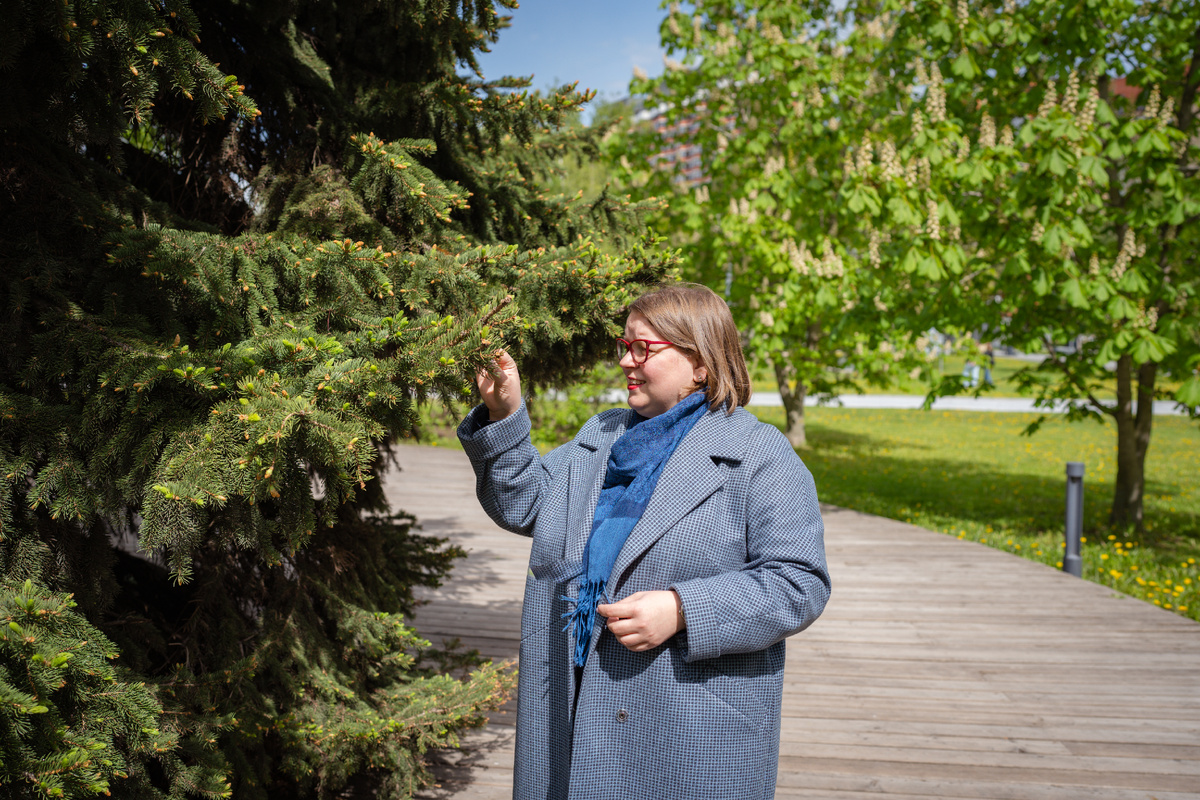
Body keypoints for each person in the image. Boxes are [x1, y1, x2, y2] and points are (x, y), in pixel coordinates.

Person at [457, 283, 831, 800]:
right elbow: (528, 505)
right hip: (572, 699)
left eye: (644, 349)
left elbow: (798, 583)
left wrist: (683, 610)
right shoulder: (603, 436)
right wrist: (505, 415)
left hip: (684, 723)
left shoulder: (758, 454)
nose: (627, 362)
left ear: (700, 363)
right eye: (624, 347)